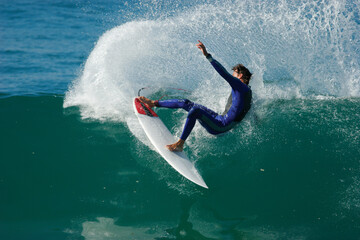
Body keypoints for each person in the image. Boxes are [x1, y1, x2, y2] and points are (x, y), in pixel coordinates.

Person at [140, 40, 252, 152]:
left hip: (221, 126)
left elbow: (224, 74)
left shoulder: (241, 87)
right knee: (185, 103)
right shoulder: (247, 92)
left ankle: (180, 144)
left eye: (235, 73)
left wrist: (208, 56)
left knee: (195, 110)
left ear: (240, 75)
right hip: (219, 119)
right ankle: (154, 103)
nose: (232, 75)